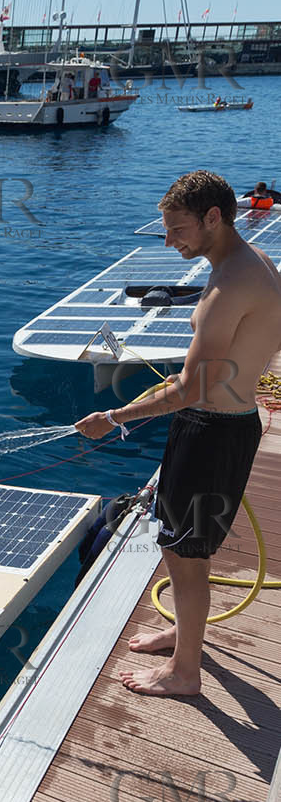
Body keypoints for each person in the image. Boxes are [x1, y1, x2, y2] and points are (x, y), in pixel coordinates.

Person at [75, 169, 281, 697]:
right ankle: (183, 635)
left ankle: (184, 673)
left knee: (187, 559)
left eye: (177, 228)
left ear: (213, 217)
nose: (168, 240)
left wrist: (115, 418)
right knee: (181, 547)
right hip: (222, 422)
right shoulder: (249, 263)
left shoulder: (231, 282)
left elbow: (192, 390)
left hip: (212, 433)